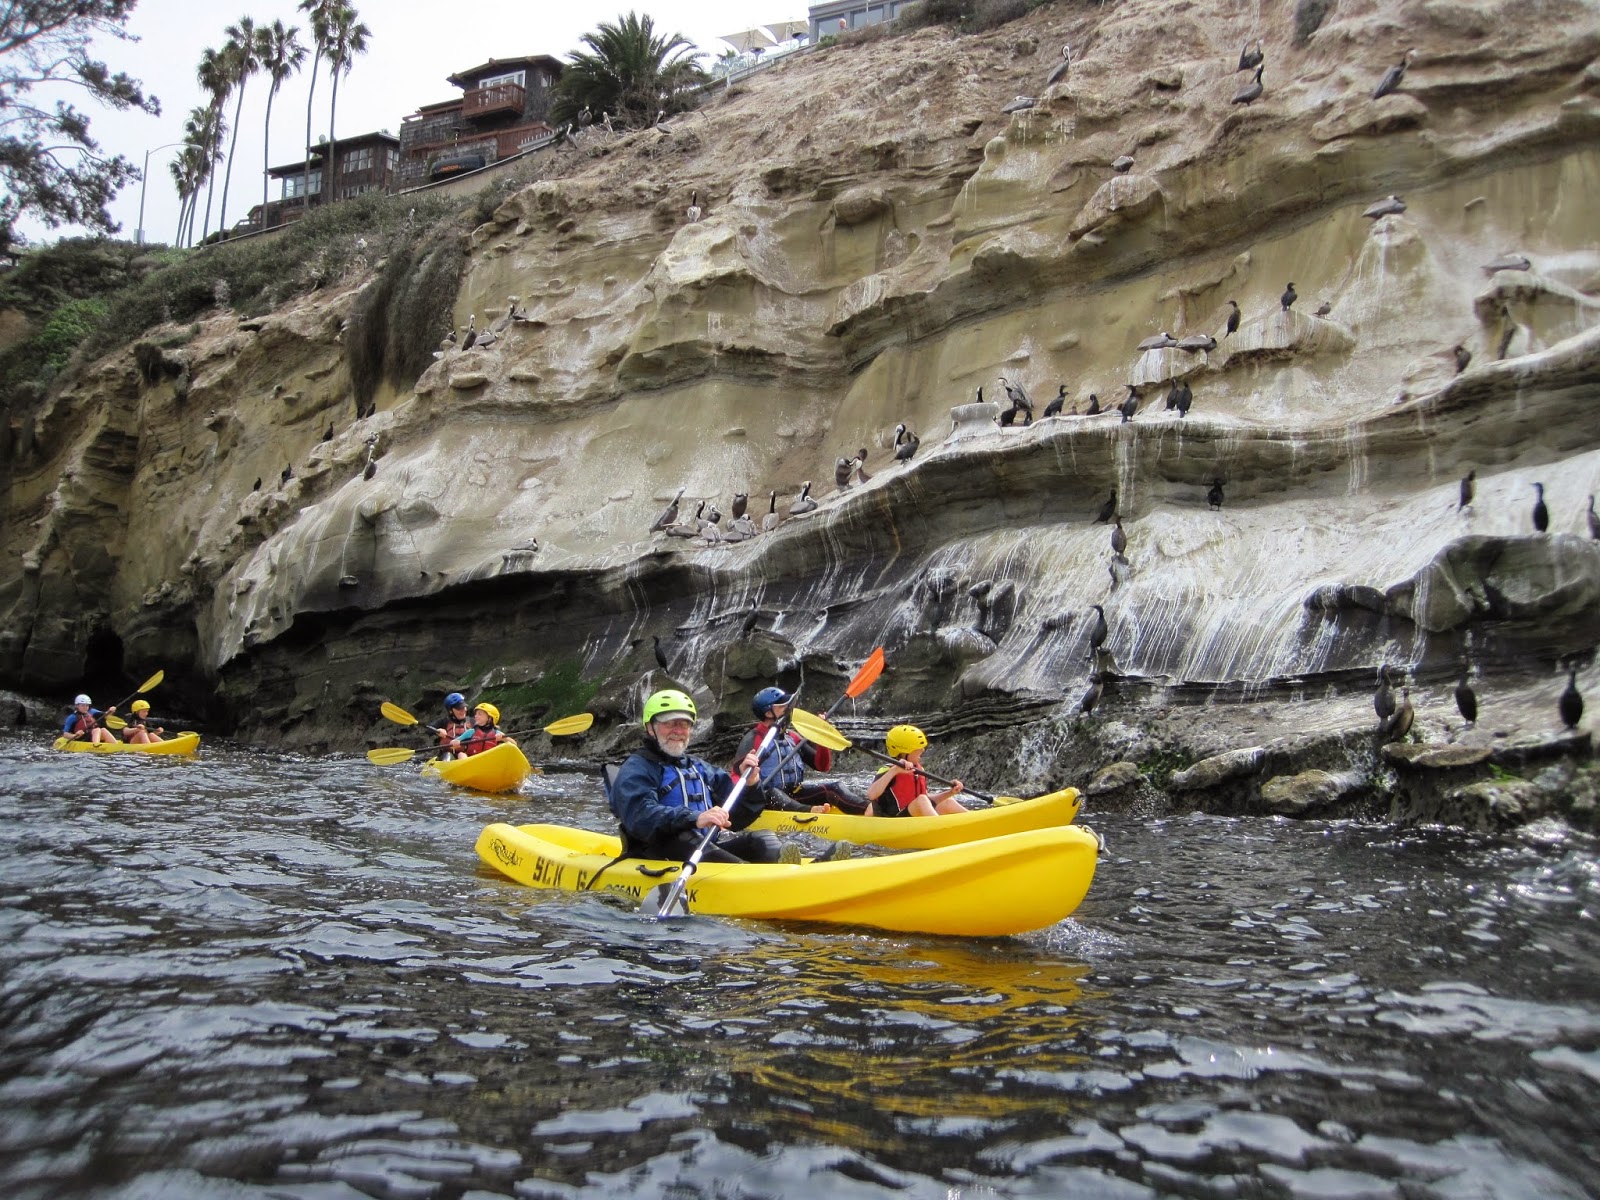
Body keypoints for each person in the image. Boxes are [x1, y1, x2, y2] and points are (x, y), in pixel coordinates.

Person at [608, 688, 779, 864]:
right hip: (656, 853)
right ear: (650, 728)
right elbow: (641, 816)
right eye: (670, 723)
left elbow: (737, 818)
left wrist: (750, 786)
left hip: (703, 847)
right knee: (690, 840)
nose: (678, 731)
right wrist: (695, 817)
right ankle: (746, 876)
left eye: (684, 724)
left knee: (766, 843)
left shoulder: (699, 768)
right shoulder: (637, 768)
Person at [733, 686, 866, 814]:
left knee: (835, 788)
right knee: (774, 793)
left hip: (794, 794)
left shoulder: (792, 737)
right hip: (765, 799)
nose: (789, 709)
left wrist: (821, 735)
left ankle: (868, 809)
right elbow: (735, 775)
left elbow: (822, 766)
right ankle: (808, 812)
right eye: (783, 706)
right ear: (768, 713)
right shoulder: (753, 739)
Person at [864, 724, 966, 817]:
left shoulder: (919, 769)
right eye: (918, 748)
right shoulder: (888, 770)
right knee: (921, 800)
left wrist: (950, 792)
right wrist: (894, 771)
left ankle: (975, 823)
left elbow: (926, 801)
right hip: (892, 822)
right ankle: (943, 829)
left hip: (911, 816)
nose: (922, 750)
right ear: (904, 751)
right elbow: (871, 794)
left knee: (947, 801)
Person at [435, 692, 471, 760]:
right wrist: (437, 731)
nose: (463, 710)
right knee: (447, 755)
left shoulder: (472, 721)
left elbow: (487, 729)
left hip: (469, 756)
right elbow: (428, 730)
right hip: (449, 757)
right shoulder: (444, 722)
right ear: (450, 711)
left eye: (464, 707)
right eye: (459, 708)